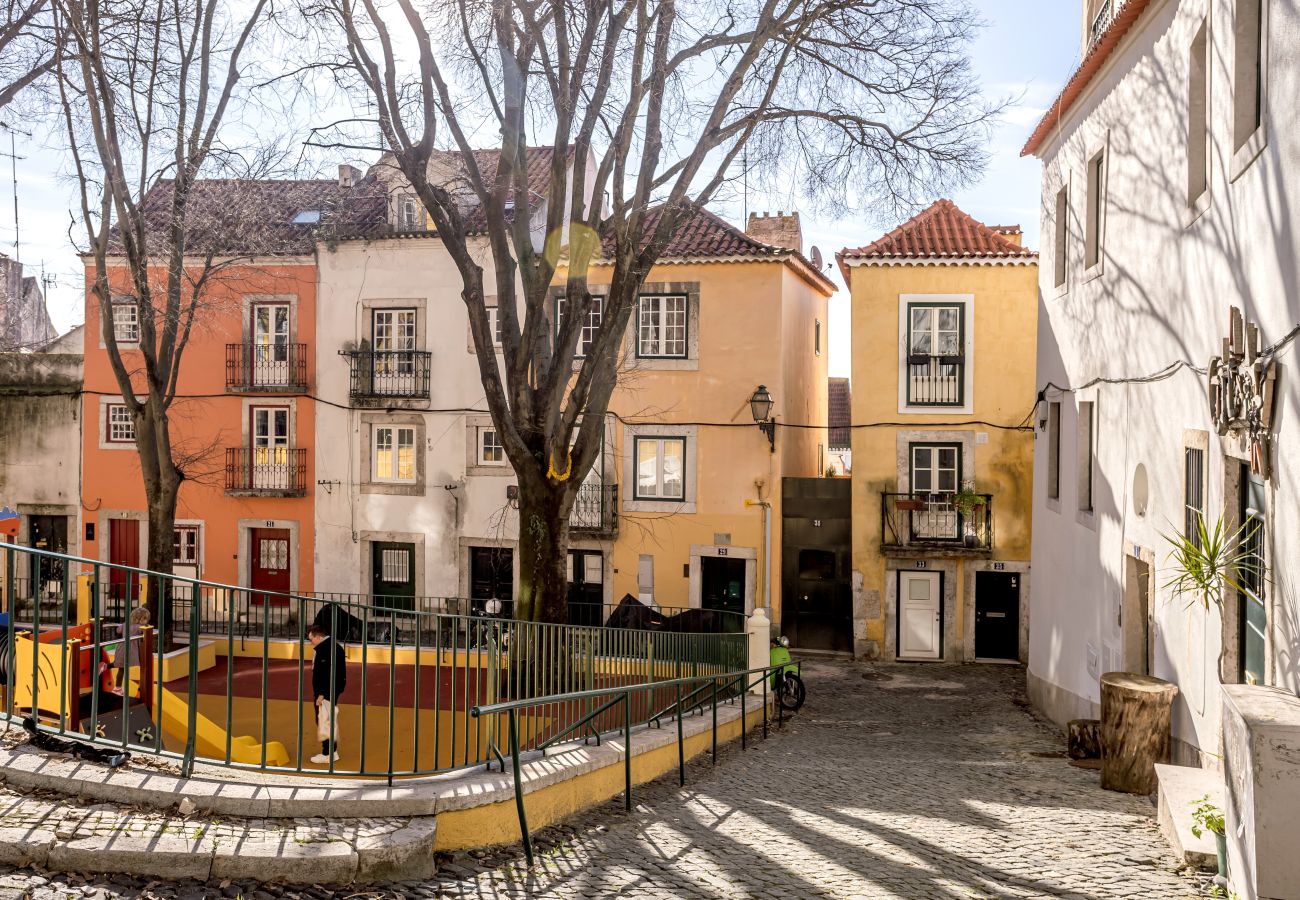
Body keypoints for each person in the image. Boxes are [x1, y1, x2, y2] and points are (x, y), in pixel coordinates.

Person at [307, 624, 347, 764]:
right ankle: (331, 752)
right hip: (330, 691)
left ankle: (328, 754)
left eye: (311, 639)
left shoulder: (327, 649)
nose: (311, 642)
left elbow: (329, 674)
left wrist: (322, 694)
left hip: (326, 692)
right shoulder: (331, 647)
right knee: (326, 719)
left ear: (318, 637)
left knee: (324, 721)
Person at [112, 607, 151, 697]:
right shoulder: (139, 627)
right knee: (143, 665)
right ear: (141, 619)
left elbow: (118, 630)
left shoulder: (125, 624)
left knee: (121, 669)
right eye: (146, 619)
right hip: (131, 650)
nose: (146, 621)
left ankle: (117, 687)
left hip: (121, 648)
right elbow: (145, 632)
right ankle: (142, 687)